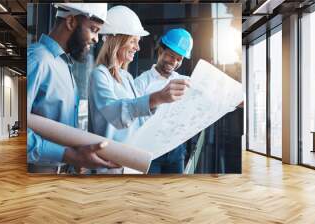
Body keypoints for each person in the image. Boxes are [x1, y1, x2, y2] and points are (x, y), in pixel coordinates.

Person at [88, 6, 190, 174]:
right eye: (133, 41)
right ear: (117, 40)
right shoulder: (100, 75)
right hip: (110, 165)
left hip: (131, 162)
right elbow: (114, 113)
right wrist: (156, 98)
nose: (138, 47)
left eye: (138, 42)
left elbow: (138, 123)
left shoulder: (126, 78)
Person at [27, 3, 118, 172]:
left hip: (63, 170)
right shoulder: (38, 60)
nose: (96, 39)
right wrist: (68, 155)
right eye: (93, 29)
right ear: (70, 22)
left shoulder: (63, 64)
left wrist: (76, 156)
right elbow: (17, 128)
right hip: (40, 174)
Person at [134, 28, 193, 174]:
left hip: (176, 151)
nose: (174, 62)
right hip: (148, 151)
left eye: (179, 59)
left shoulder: (184, 81)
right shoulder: (141, 83)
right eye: (171, 56)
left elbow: (209, 94)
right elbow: (131, 115)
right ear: (160, 50)